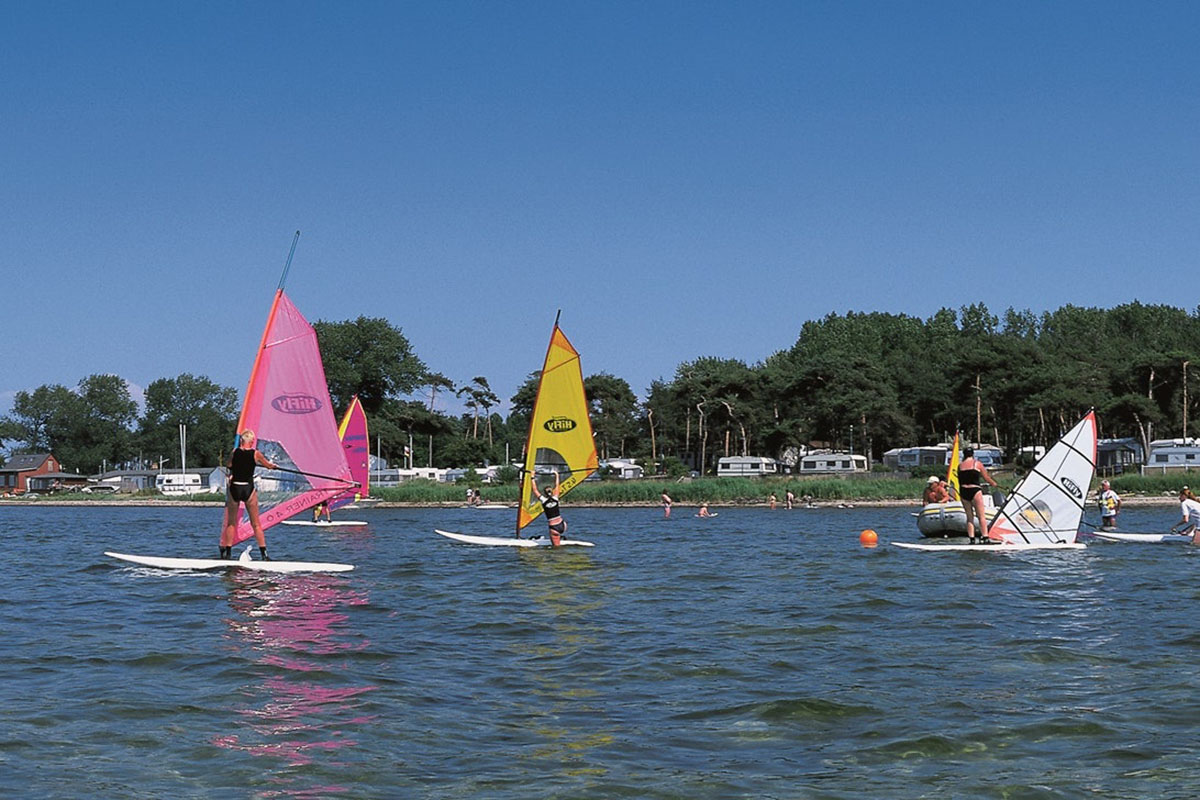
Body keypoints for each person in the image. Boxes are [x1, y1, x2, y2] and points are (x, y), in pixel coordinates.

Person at [220, 430, 279, 560]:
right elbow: (268, 466)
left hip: (235, 487)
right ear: (251, 442)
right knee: (256, 524)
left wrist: (234, 470)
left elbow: (229, 465)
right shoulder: (256, 454)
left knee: (231, 523)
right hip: (248, 488)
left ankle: (228, 554)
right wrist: (273, 466)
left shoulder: (234, 452)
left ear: (241, 441)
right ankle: (264, 555)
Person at [958, 447, 999, 544]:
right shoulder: (977, 464)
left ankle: (971, 539)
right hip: (975, 490)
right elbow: (986, 477)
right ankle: (985, 537)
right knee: (981, 516)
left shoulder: (960, 465)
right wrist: (994, 484)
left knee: (969, 517)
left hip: (963, 491)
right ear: (972, 454)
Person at [530, 470, 566, 547]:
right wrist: (557, 475)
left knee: (556, 549)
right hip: (562, 524)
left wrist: (532, 476)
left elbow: (535, 490)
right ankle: (560, 537)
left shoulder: (543, 500)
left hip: (554, 527)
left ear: (544, 493)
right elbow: (557, 485)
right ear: (552, 491)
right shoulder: (555, 497)